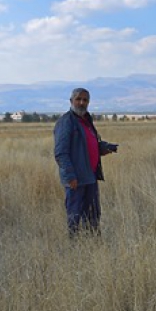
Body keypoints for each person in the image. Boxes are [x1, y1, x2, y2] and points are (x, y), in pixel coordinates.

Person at [54, 88, 118, 236]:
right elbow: (61, 153)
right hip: (76, 179)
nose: (82, 102)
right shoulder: (66, 122)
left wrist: (105, 147)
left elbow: (89, 145)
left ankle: (94, 245)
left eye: (85, 100)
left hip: (90, 176)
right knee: (75, 215)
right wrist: (70, 176)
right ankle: (75, 247)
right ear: (71, 101)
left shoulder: (86, 121)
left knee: (93, 214)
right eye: (78, 99)